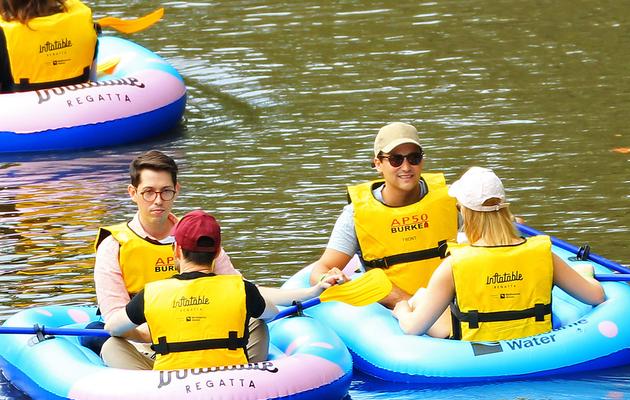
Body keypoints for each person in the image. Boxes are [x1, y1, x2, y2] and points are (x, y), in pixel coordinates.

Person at [105, 210, 342, 371]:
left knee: (111, 344)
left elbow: (113, 327)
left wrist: (145, 333)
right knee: (257, 322)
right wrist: (313, 292)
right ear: (218, 252)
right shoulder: (240, 288)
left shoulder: (152, 293)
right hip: (233, 375)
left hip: (170, 382)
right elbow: (270, 313)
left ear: (176, 251)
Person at [392, 166, 606, 341]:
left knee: (420, 297)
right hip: (537, 342)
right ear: (504, 208)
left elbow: (413, 328)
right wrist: (586, 276)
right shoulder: (543, 255)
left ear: (464, 211)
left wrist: (401, 308)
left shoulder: (453, 266)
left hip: (473, 350)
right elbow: (595, 296)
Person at [84, 150, 243, 360]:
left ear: (176, 190)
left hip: (206, 333)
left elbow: (238, 289)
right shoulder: (113, 245)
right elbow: (115, 318)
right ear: (133, 193)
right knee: (95, 331)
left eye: (165, 191)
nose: (158, 201)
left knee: (255, 323)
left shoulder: (197, 234)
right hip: (144, 340)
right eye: (148, 192)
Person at [310, 122, 458, 308]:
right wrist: (328, 277)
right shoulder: (355, 214)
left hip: (452, 305)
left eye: (414, 158)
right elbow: (320, 270)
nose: (406, 167)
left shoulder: (454, 199)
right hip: (391, 315)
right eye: (396, 159)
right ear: (378, 164)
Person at [0, 0, 97, 93]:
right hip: (79, 105)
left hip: (24, 108)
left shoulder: (3, 34)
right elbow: (93, 80)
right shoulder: (83, 21)